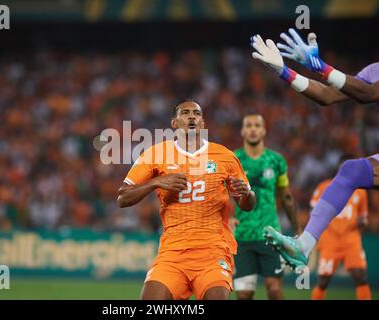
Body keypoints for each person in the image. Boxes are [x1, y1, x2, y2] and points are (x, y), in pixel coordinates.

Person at [250, 28, 378, 269]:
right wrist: (284, 72)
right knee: (352, 171)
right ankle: (303, 246)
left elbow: (368, 94)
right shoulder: (375, 70)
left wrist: (320, 66)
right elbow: (327, 95)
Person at [117, 100, 256, 300]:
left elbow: (247, 205)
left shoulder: (225, 156)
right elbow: (123, 198)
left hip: (213, 252)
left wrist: (247, 194)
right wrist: (157, 182)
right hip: (173, 253)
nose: (191, 116)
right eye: (185, 113)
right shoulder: (156, 154)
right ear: (174, 123)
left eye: (196, 113)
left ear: (202, 123)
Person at [232, 114, 300, 300]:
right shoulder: (233, 159)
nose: (253, 129)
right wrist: (227, 218)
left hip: (270, 235)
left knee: (274, 289)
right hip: (242, 236)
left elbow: (286, 196)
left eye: (257, 125)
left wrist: (298, 229)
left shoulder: (276, 160)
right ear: (242, 131)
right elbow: (221, 194)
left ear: (263, 130)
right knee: (244, 293)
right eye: (249, 125)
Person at [310, 156, 371, 300]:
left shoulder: (360, 191)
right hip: (329, 238)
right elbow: (313, 212)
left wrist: (362, 222)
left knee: (360, 276)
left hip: (351, 239)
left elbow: (363, 216)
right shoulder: (324, 187)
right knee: (323, 281)